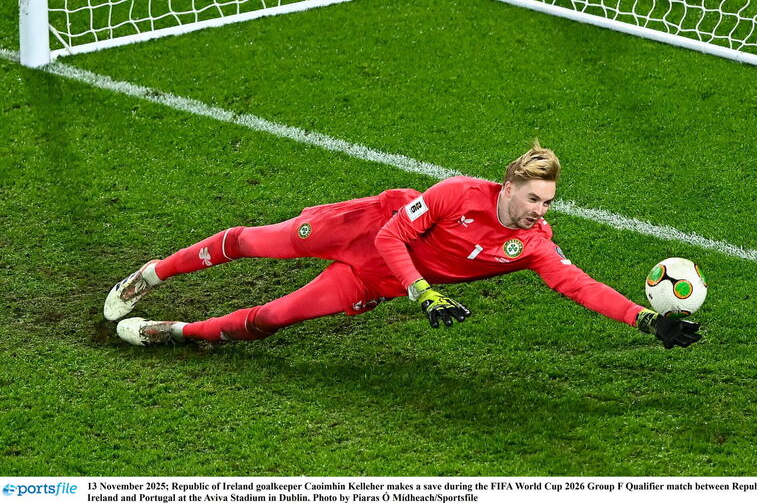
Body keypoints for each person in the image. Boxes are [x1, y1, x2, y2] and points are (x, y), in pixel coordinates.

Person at [104, 141, 701, 349]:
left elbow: (577, 284)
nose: (541, 213)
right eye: (534, 200)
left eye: (548, 204)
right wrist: (423, 290)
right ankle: (152, 274)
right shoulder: (456, 193)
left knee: (274, 316)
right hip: (365, 231)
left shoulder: (533, 244)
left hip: (377, 280)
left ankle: (172, 332)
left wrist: (644, 319)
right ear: (511, 185)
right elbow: (393, 234)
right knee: (255, 243)